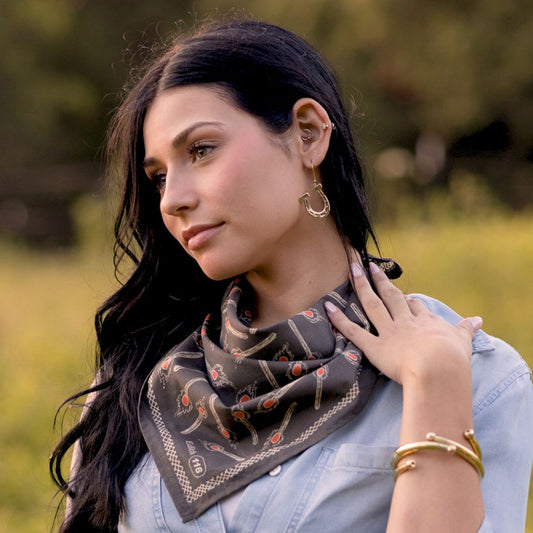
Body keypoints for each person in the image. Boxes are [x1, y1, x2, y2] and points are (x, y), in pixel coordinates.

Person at [50, 18, 533, 533]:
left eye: (201, 150)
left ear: (308, 134)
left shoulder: (474, 376)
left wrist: (434, 384)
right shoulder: (136, 377)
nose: (172, 200)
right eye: (160, 177)